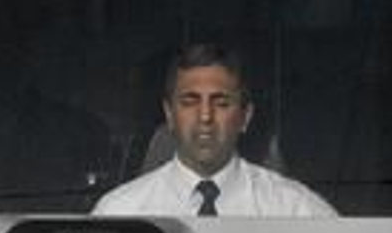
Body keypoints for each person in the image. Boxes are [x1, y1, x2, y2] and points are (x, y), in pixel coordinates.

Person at [92, 42, 335, 218]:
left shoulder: (296, 211)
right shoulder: (120, 212)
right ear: (169, 115)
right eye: (190, 102)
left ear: (245, 117)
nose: (205, 116)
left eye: (221, 103)